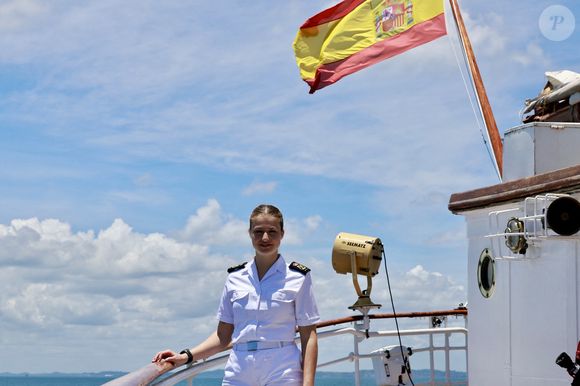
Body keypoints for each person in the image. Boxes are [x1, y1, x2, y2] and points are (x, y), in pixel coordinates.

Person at [153, 204, 320, 386]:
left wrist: (308, 383)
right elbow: (223, 336)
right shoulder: (235, 277)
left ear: (282, 234)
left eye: (272, 231)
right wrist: (186, 356)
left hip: (282, 366)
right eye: (258, 231)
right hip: (239, 368)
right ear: (250, 233)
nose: (265, 237)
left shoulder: (298, 277)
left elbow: (308, 335)